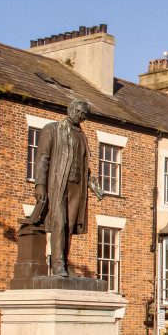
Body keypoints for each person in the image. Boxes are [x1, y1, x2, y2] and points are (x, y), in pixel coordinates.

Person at [33, 98, 105, 277]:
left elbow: (84, 166)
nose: (80, 115)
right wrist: (40, 184)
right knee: (60, 222)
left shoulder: (81, 135)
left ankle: (63, 262)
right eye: (78, 111)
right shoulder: (52, 129)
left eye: (83, 114)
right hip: (58, 184)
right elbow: (43, 158)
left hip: (76, 188)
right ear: (69, 109)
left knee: (69, 227)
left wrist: (94, 186)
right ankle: (58, 264)